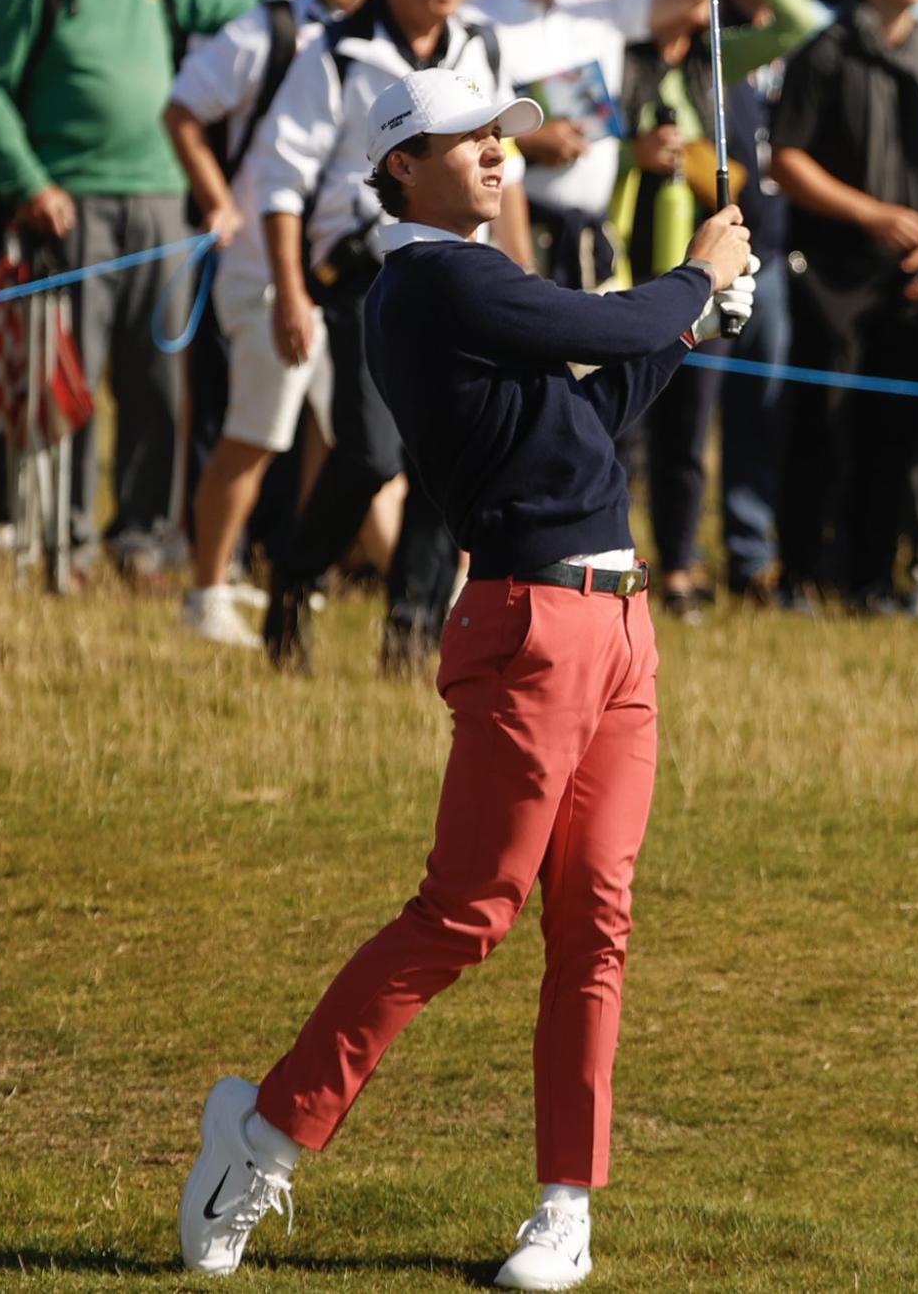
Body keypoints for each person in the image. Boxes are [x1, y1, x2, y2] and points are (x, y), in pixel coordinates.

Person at [176, 65, 755, 1291]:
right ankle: (265, 1133)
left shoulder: (483, 291)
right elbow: (603, 329)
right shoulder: (431, 281)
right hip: (529, 629)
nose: (498, 154)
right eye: (468, 139)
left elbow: (595, 411)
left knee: (596, 914)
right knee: (470, 911)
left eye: (504, 137)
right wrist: (695, 277)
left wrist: (691, 324)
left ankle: (565, 1207)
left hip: (620, 626)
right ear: (400, 166)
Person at [249, 0, 537, 673]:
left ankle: (411, 631)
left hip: (466, 284)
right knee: (371, 454)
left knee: (451, 457)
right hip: (363, 281)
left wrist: (525, 286)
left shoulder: (482, 45)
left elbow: (509, 177)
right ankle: (294, 576)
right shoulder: (335, 49)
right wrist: (290, 289)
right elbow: (281, 182)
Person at [0, 0, 258, 575]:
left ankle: (141, 540)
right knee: (69, 383)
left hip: (162, 206)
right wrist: (28, 185)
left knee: (156, 386)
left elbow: (257, 14)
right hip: (69, 209)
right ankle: (62, 543)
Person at [166, 0, 384, 646]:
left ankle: (298, 568)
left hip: (340, 281)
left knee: (337, 434)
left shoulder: (380, 45)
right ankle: (205, 591)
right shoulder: (263, 30)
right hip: (263, 272)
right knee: (257, 433)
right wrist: (218, 201)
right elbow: (181, 113)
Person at [614, 0, 822, 619]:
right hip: (620, 269)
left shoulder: (715, 57)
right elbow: (574, 147)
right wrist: (632, 154)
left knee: (686, 430)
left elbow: (799, 19)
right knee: (617, 432)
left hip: (696, 273)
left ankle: (677, 566)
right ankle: (612, 560)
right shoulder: (612, 49)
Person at [768, 0, 918, 614]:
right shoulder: (826, 50)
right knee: (819, 426)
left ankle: (872, 577)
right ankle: (799, 573)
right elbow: (786, 156)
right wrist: (870, 214)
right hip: (831, 274)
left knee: (894, 432)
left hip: (910, 282)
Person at [468, 0, 707, 293]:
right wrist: (525, 138)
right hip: (514, 247)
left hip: (593, 245)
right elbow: (453, 137)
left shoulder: (593, 3)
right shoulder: (468, 22)